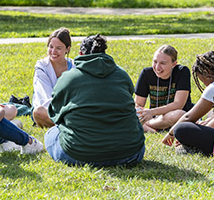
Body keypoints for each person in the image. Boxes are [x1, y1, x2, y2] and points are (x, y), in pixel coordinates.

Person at [45, 34, 145, 166]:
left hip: (79, 154)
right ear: (104, 53)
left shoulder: (68, 78)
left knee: (51, 134)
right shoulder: (122, 75)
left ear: (80, 53)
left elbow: (54, 113)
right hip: (130, 153)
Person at [135, 45, 193, 132]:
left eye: (163, 63)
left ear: (174, 64)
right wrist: (141, 112)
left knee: (179, 114)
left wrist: (152, 112)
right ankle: (152, 128)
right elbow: (139, 105)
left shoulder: (182, 72)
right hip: (156, 118)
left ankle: (146, 127)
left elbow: (178, 104)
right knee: (130, 113)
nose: (157, 67)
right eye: (155, 62)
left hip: (175, 116)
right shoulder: (146, 74)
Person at [32, 27, 75, 128]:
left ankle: (67, 124)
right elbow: (44, 98)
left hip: (70, 110)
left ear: (67, 49)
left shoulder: (75, 67)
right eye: (51, 47)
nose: (53, 52)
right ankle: (69, 125)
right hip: (48, 110)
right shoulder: (41, 67)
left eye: (58, 48)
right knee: (38, 112)